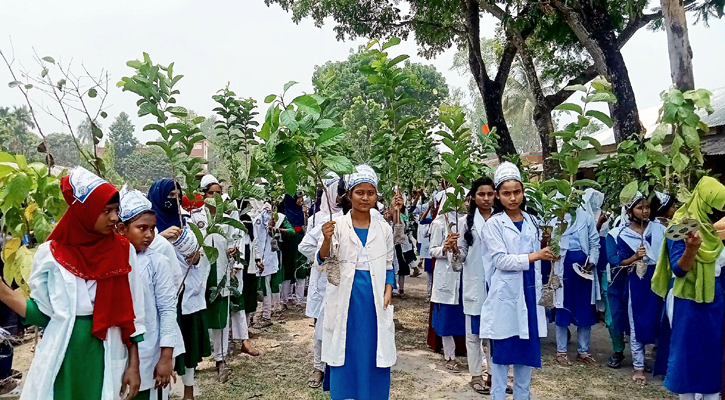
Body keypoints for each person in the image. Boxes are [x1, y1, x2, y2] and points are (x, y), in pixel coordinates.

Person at [0, 167, 146, 400]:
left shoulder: (122, 250)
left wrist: (134, 365)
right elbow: (42, 314)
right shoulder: (51, 254)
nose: (114, 218)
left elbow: (134, 312)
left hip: (105, 351)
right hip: (63, 353)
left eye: (116, 210)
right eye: (106, 211)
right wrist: (5, 293)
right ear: (84, 212)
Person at [317, 165, 396, 400]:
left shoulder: (384, 228)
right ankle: (345, 392)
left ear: (376, 196)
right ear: (349, 195)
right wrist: (326, 238)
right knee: (346, 347)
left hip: (374, 299)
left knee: (373, 349)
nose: (365, 197)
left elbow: (389, 264)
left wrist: (389, 290)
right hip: (346, 297)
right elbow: (323, 261)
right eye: (359, 192)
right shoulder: (338, 226)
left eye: (370, 193)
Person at [480, 162, 555, 400]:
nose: (513, 198)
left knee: (525, 356)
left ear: (523, 192)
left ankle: (523, 396)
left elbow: (539, 257)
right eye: (506, 193)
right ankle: (498, 396)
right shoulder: (493, 224)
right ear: (498, 196)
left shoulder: (533, 222)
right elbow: (501, 261)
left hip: (529, 294)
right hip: (506, 297)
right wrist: (535, 256)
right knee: (502, 356)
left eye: (517, 192)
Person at [652, 177, 725, 400]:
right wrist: (691, 250)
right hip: (687, 298)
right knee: (688, 353)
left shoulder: (717, 230)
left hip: (715, 297)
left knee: (713, 351)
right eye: (715, 206)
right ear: (703, 201)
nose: (718, 212)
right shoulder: (682, 226)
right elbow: (678, 268)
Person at [118, 188, 184, 400]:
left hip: (150, 350)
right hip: (117, 351)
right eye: (141, 228)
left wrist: (166, 356)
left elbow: (167, 309)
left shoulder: (157, 262)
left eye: (152, 229)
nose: (149, 234)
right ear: (122, 229)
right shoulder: (112, 261)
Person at [148, 178, 208, 400]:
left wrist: (193, 253)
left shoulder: (186, 222)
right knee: (162, 347)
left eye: (177, 195)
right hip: (160, 298)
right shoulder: (148, 226)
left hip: (187, 293)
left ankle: (188, 392)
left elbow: (198, 257)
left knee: (189, 346)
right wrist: (160, 238)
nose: (173, 200)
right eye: (169, 196)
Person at [299, 173, 345, 389]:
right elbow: (305, 246)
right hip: (322, 277)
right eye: (339, 191)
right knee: (320, 324)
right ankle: (319, 367)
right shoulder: (319, 218)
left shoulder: (349, 215)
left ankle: (337, 364)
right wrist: (324, 258)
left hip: (344, 279)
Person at [616, 192, 665, 385]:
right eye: (639, 208)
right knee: (636, 322)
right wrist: (635, 257)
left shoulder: (659, 229)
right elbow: (621, 262)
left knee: (660, 320)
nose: (645, 211)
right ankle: (638, 367)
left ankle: (661, 363)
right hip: (638, 281)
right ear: (630, 211)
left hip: (658, 278)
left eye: (647, 207)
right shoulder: (624, 234)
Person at [553, 190, 601, 367]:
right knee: (562, 308)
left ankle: (583, 351)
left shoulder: (586, 217)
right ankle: (561, 351)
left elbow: (595, 243)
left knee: (584, 310)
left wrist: (591, 262)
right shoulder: (555, 219)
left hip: (584, 273)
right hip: (563, 270)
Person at [457, 177, 496, 394]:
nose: (486, 198)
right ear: (473, 197)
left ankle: (493, 376)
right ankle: (475, 375)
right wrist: (452, 249)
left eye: (490, 194)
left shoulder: (502, 220)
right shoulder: (465, 223)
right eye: (481, 194)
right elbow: (460, 258)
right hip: (474, 284)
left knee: (495, 334)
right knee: (474, 334)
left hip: (497, 285)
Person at [429, 186, 466, 373]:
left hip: (465, 276)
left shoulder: (467, 222)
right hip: (447, 276)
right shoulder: (439, 223)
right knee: (447, 319)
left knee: (467, 316)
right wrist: (445, 247)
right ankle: (449, 356)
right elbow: (432, 250)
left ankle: (480, 357)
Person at [604, 208, 630, 369]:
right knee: (614, 318)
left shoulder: (652, 231)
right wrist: (632, 259)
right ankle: (618, 350)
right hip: (616, 280)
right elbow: (613, 258)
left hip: (639, 280)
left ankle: (640, 356)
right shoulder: (615, 233)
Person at [252, 203, 284, 328]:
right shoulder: (254, 215)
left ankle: (266, 316)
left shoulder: (269, 215)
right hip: (258, 256)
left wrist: (272, 225)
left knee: (265, 287)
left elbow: (271, 233)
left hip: (266, 257)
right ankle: (257, 314)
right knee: (259, 288)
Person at [279, 194, 308, 307]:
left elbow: (306, 225)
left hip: (299, 239)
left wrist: (305, 214)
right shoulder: (283, 213)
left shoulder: (301, 211)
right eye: (298, 199)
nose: (301, 201)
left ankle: (299, 299)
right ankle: (286, 298)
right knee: (287, 268)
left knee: (300, 267)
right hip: (288, 241)